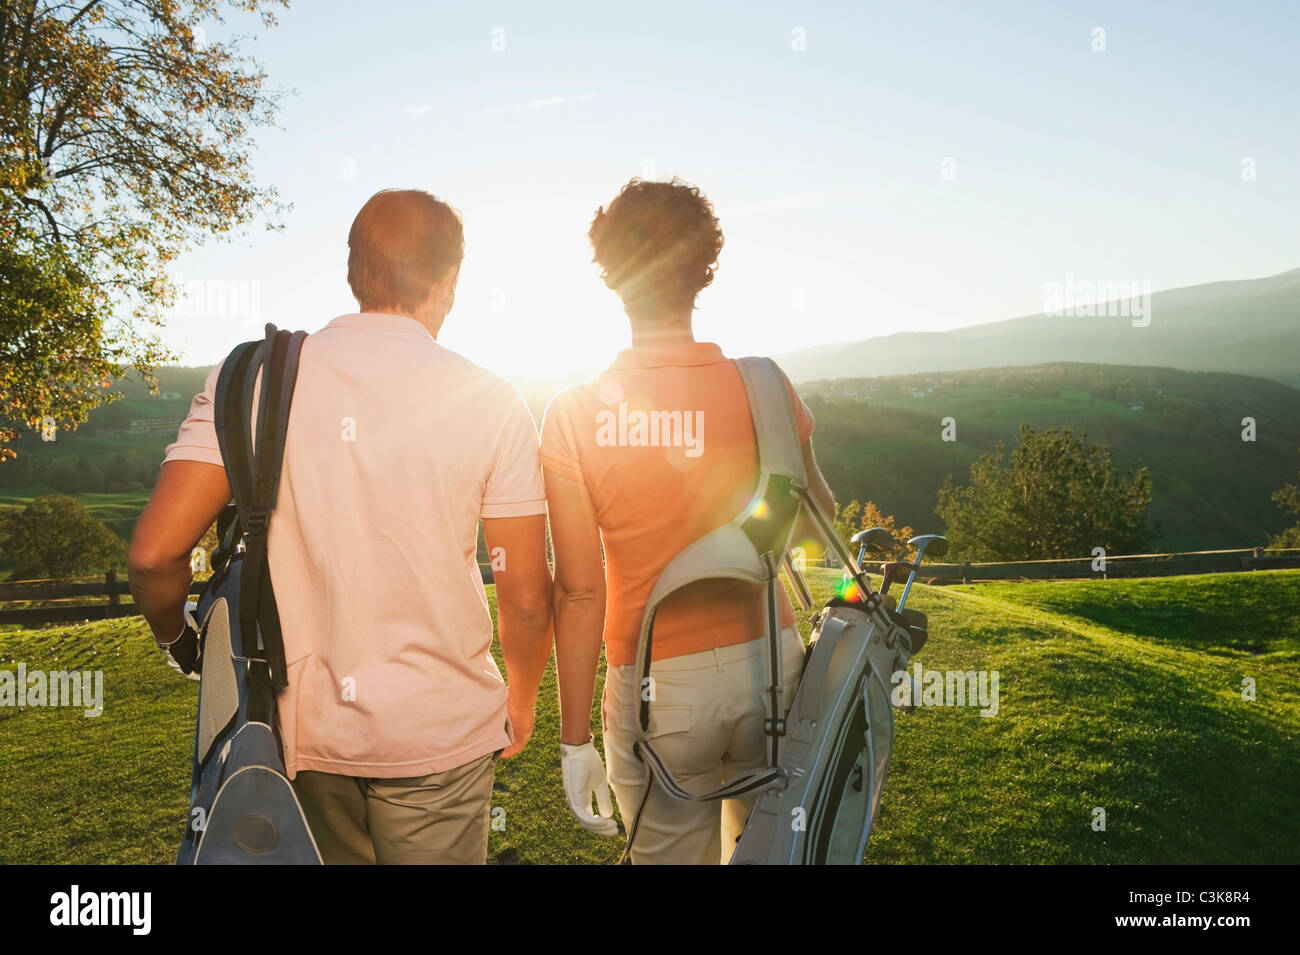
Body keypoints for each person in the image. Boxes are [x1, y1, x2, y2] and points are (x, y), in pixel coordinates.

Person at [128, 189, 554, 865]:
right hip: (440, 729)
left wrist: (180, 642)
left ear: (355, 270)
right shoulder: (491, 399)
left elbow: (153, 554)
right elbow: (526, 592)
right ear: (449, 281)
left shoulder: (253, 375)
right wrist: (523, 697)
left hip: (296, 735)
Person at [542, 177, 837, 864]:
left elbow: (580, 590)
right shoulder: (766, 384)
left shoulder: (575, 414)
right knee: (770, 853)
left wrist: (574, 739)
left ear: (612, 275)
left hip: (654, 684)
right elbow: (816, 527)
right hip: (770, 661)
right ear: (704, 268)